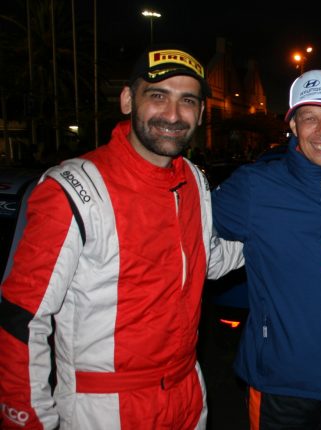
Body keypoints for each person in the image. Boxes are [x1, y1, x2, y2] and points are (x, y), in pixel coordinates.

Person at [0, 45, 244, 429]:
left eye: (187, 101)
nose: (173, 115)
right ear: (128, 100)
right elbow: (23, 317)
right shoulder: (73, 187)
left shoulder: (194, 180)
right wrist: (27, 419)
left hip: (186, 393)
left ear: (200, 113)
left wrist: (274, 236)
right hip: (104, 406)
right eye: (158, 96)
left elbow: (205, 259)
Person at [211, 69, 321, 430]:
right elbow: (182, 221)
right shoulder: (254, 187)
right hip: (278, 383)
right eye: (310, 118)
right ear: (292, 125)